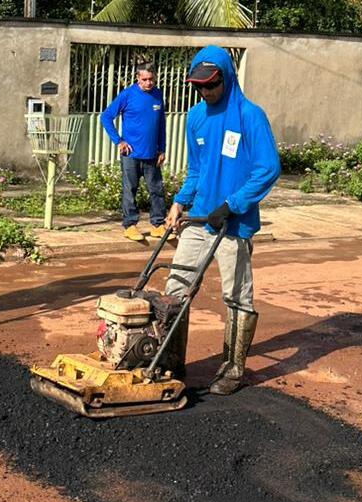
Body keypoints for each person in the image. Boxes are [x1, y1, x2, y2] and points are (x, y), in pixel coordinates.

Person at [163, 45, 281, 395]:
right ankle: (169, 361)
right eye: (199, 86)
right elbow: (196, 170)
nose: (205, 92)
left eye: (211, 85)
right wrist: (179, 201)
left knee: (236, 296)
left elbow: (268, 168)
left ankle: (232, 368)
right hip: (199, 219)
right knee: (174, 289)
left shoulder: (250, 116)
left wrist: (233, 204)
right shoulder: (196, 117)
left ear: (226, 79)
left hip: (234, 224)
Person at [100, 61, 168, 242]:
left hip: (152, 154)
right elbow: (106, 116)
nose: (148, 83)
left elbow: (161, 123)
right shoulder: (127, 95)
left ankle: (158, 225)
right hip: (131, 155)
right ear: (138, 78)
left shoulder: (158, 95)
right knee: (130, 189)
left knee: (157, 189)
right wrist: (119, 141)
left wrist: (162, 148)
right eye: (144, 79)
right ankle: (130, 226)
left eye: (151, 79)